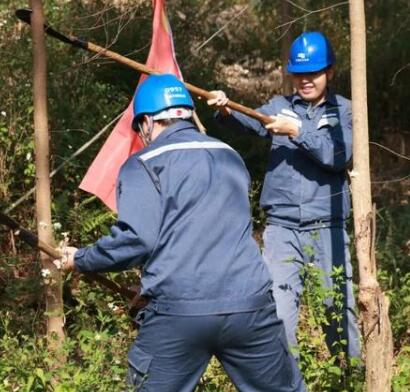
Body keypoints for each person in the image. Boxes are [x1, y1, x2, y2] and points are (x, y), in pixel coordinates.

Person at [57, 73, 305, 391]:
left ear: (147, 122)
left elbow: (137, 239)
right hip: (250, 305)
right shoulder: (229, 155)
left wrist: (81, 258)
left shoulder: (143, 164)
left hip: (179, 313)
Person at [208, 31, 361, 360]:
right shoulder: (278, 107)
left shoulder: (346, 111)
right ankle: (283, 382)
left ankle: (349, 376)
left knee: (339, 309)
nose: (306, 80)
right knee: (278, 314)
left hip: (327, 228)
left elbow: (339, 156)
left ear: (329, 73)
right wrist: (224, 109)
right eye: (300, 74)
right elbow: (246, 119)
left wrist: (297, 132)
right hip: (282, 229)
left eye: (314, 73)